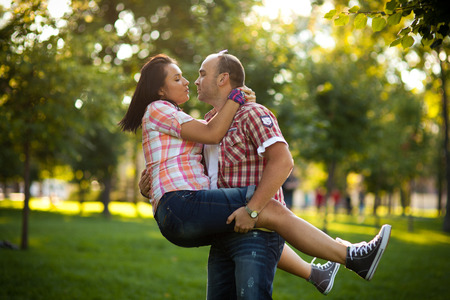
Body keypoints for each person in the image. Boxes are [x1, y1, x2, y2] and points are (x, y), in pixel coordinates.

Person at [130, 53, 391, 299]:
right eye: (178, 78)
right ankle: (348, 257)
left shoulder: (250, 113)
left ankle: (337, 263)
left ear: (222, 79)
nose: (191, 80)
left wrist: (252, 210)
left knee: (268, 210)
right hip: (203, 216)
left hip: (243, 229)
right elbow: (197, 144)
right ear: (161, 89)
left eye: (200, 74)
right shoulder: (197, 119)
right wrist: (152, 178)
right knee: (271, 211)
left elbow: (283, 162)